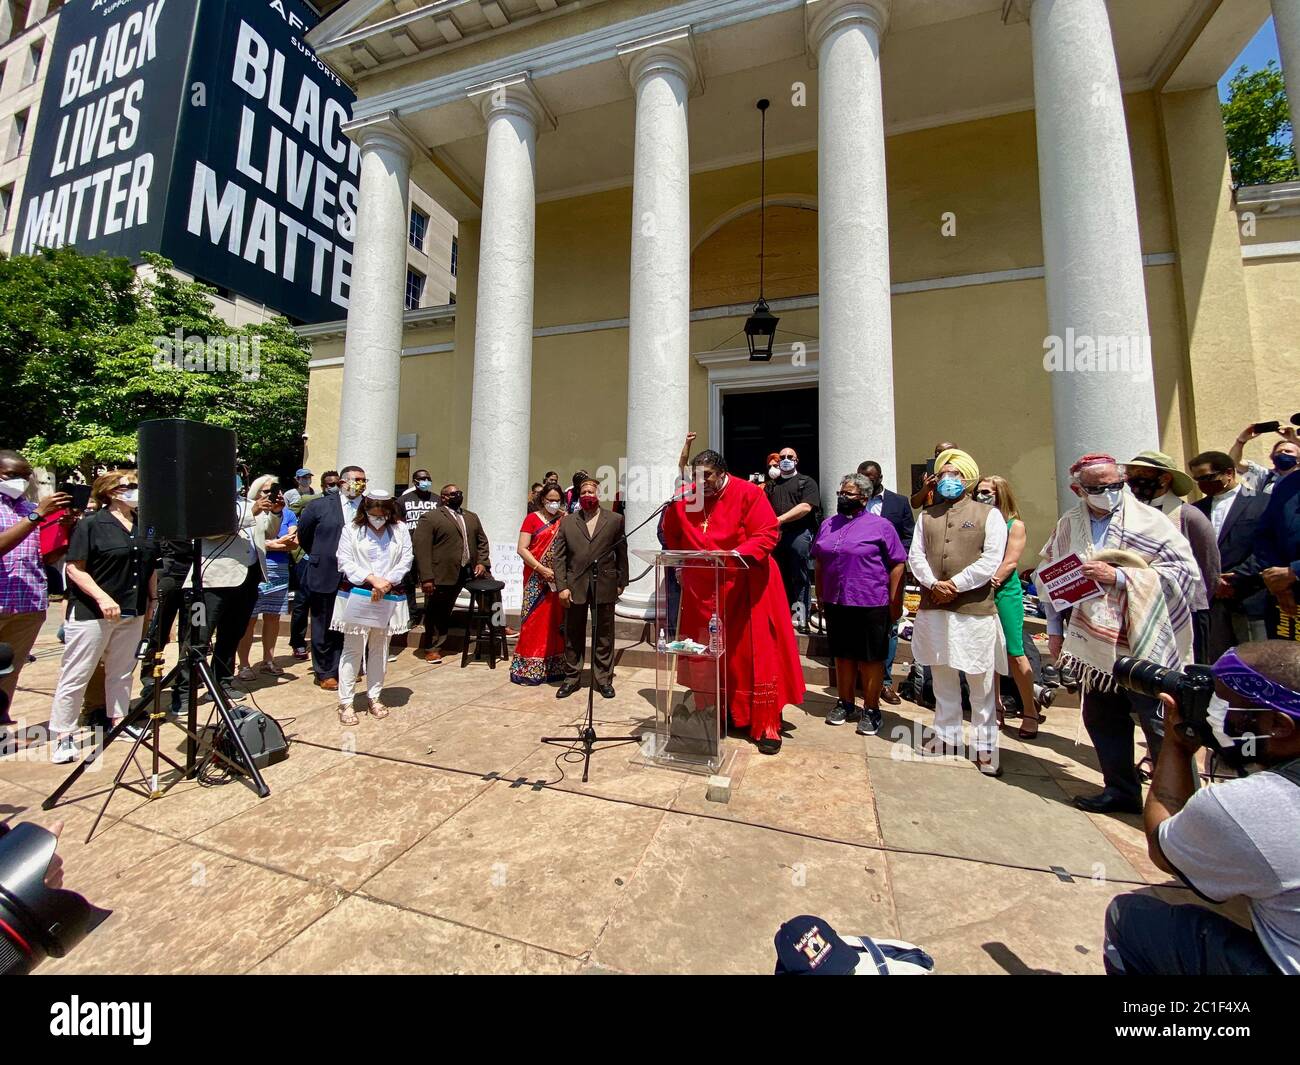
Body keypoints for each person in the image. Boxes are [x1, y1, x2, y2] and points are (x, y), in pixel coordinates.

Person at [1103, 641, 1300, 975]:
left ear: (1279, 725)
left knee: (1130, 919)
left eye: (1224, 703)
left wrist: (1177, 745)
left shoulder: (1254, 806)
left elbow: (1162, 848)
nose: (1212, 711)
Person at [1037, 454, 1199, 814]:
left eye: (1114, 486)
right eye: (1098, 488)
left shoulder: (1151, 522)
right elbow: (1049, 576)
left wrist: (1122, 578)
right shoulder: (1070, 524)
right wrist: (1053, 630)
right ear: (1078, 488)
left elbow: (1186, 575)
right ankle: (1121, 790)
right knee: (1102, 716)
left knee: (1161, 721)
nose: (1108, 493)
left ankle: (1184, 806)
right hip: (1094, 642)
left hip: (1144, 636)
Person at [661, 450, 805, 754]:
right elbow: (672, 535)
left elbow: (767, 534)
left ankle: (765, 722)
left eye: (708, 476)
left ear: (722, 472)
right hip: (704, 590)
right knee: (710, 654)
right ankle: (717, 711)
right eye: (696, 477)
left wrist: (735, 556)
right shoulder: (686, 497)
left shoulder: (749, 493)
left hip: (747, 585)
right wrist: (679, 562)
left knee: (752, 653)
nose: (702, 482)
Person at [908, 448, 1007, 775]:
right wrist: (933, 584)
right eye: (943, 474)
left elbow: (991, 559)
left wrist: (956, 585)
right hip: (934, 607)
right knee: (942, 673)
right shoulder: (927, 515)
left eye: (954, 474)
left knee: (980, 682)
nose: (948, 480)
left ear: (968, 478)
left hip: (973, 609)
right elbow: (916, 557)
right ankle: (946, 734)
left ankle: (985, 747)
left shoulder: (988, 514)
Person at [49, 472, 158, 763]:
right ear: (110, 492)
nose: (135, 491)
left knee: (122, 671)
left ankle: (118, 722)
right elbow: (74, 567)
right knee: (77, 673)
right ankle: (63, 734)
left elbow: (149, 565)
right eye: (128, 487)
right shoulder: (92, 524)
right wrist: (101, 597)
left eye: (137, 486)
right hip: (93, 612)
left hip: (132, 609)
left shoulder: (143, 525)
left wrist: (153, 600)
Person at [812, 473, 906, 736]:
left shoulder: (881, 526)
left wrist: (894, 599)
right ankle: (845, 702)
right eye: (841, 493)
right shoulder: (829, 524)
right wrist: (819, 593)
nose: (842, 497)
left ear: (863, 498)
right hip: (836, 599)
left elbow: (898, 562)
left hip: (870, 600)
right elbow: (819, 559)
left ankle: (872, 708)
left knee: (870, 657)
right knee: (842, 654)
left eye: (848, 494)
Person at [1125, 450, 1220, 661]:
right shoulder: (1130, 516)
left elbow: (1209, 568)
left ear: (1164, 478)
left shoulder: (1189, 517)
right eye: (1130, 474)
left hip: (1188, 608)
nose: (1133, 481)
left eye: (1141, 473)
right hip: (1146, 608)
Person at [973, 475, 1047, 739]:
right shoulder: (977, 522)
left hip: (1003, 591)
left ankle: (1030, 709)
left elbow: (1010, 561)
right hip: (977, 590)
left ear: (1000, 494)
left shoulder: (1015, 525)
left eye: (986, 492)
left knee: (1014, 651)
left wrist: (991, 581)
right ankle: (995, 707)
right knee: (986, 652)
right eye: (978, 492)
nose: (981, 496)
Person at [0, 450, 70, 724]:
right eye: (11, 475)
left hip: (28, 605)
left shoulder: (29, 510)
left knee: (9, 672)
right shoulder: (34, 513)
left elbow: (48, 558)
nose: (20, 481)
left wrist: (65, 529)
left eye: (25, 476)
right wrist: (38, 516)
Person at [332, 490, 413, 724]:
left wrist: (387, 582)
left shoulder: (399, 530)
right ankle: (346, 702)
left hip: (388, 593)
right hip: (359, 592)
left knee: (380, 647)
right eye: (373, 514)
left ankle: (374, 696)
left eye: (382, 515)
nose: (378, 519)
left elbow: (406, 559)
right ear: (365, 512)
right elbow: (344, 560)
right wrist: (371, 579)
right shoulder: (352, 530)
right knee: (353, 648)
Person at [553, 477, 628, 699]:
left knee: (604, 634)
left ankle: (603, 678)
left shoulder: (615, 520)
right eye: (583, 492)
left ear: (598, 494)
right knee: (573, 633)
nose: (587, 495)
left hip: (605, 583)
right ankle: (571, 677)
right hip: (574, 585)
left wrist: (622, 581)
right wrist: (561, 587)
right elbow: (559, 557)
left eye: (591, 491)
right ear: (579, 494)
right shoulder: (567, 522)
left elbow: (621, 553)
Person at [1189, 450, 1270, 656]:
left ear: (1228, 473)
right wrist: (1212, 581)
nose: (1202, 484)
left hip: (1250, 595)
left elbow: (1267, 548)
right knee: (1221, 664)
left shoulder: (1262, 503)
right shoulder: (1195, 510)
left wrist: (1236, 578)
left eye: (1207, 478)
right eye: (1197, 479)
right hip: (1211, 600)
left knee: (1256, 662)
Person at [298, 465, 367, 691]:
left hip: (356, 575)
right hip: (326, 571)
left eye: (363, 480)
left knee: (350, 624)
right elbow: (305, 537)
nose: (360, 483)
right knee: (324, 623)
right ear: (342, 483)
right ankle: (325, 671)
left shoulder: (368, 507)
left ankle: (346, 666)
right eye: (356, 479)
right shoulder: (318, 506)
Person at [857, 460, 914, 705]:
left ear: (880, 477)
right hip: (860, 576)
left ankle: (885, 682)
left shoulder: (898, 503)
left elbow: (908, 535)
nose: (866, 482)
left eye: (870, 477)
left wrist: (900, 561)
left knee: (890, 626)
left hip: (890, 573)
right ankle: (862, 679)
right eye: (862, 477)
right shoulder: (855, 502)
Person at [413, 483, 490, 664]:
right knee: (438, 611)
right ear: (444, 497)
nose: (458, 496)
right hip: (443, 573)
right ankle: (432, 647)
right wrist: (426, 577)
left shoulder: (471, 517)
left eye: (460, 493)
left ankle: (497, 626)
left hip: (471, 570)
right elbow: (421, 549)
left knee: (491, 596)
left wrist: (482, 562)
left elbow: (482, 541)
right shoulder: (431, 518)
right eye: (453, 493)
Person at [236, 476, 298, 678]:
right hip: (252, 570)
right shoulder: (244, 510)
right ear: (255, 493)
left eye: (276, 491)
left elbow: (291, 541)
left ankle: (268, 660)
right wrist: (274, 542)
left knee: (273, 617)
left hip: (278, 568)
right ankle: (243, 664)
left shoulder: (283, 514)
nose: (272, 495)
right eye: (266, 492)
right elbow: (257, 538)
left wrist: (274, 540)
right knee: (248, 619)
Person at [511, 483, 567, 685]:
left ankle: (555, 666)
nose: (553, 503)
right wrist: (541, 569)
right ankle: (528, 669)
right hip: (536, 577)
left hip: (558, 578)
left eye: (557, 500)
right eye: (549, 499)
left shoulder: (564, 520)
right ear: (542, 499)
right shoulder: (532, 519)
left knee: (555, 622)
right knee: (534, 621)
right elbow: (522, 548)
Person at [769, 447, 821, 632]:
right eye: (782, 457)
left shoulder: (806, 482)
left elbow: (806, 506)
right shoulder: (772, 485)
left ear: (796, 460)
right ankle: (780, 614)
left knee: (800, 575)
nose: (785, 460)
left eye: (790, 457)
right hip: (775, 536)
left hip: (798, 534)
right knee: (778, 576)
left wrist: (779, 520)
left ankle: (801, 617)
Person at [286, 471, 335, 661]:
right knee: (302, 601)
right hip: (306, 557)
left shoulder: (343, 504)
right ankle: (298, 642)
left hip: (330, 562)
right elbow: (294, 511)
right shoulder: (310, 500)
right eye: (330, 484)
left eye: (336, 483)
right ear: (324, 486)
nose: (334, 487)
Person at [1255, 467, 1300, 642]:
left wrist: (1294, 572)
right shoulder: (1288, 482)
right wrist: (1278, 582)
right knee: (1285, 665)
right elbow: (1264, 535)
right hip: (1286, 599)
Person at [397, 469, 439, 650]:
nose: (426, 481)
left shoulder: (436, 500)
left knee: (429, 584)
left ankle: (429, 616)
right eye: (422, 479)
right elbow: (397, 522)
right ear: (415, 481)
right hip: (409, 548)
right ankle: (412, 616)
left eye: (428, 478)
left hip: (431, 550)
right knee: (409, 583)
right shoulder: (404, 500)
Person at [1229, 423, 1299, 496]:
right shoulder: (1265, 476)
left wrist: (1294, 439)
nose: (1283, 453)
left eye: (1288, 451)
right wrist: (1240, 441)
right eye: (1278, 452)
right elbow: (1235, 463)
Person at [909, 440, 958, 511]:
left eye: (942, 452)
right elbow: (914, 504)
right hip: (931, 516)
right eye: (937, 452)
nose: (938, 454)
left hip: (956, 514)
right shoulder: (925, 474)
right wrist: (925, 489)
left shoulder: (964, 474)